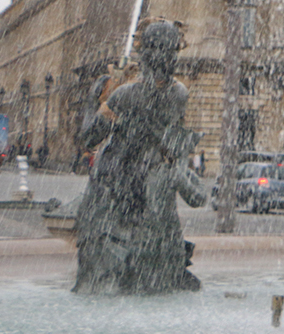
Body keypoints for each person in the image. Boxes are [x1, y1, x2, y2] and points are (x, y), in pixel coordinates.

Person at [73, 19, 198, 294]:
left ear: (144, 54)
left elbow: (90, 137)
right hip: (153, 190)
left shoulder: (124, 95)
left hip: (116, 187)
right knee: (156, 282)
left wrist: (92, 102)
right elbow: (176, 143)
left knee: (103, 272)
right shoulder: (180, 94)